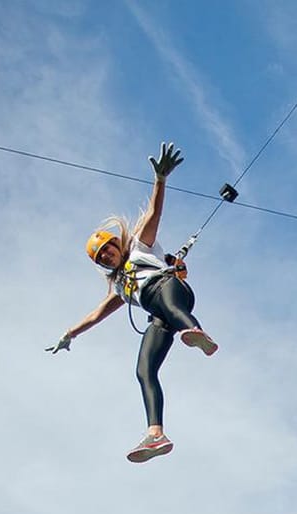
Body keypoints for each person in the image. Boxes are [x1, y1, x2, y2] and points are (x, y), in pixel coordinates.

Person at [46, 142, 218, 464]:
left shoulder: (141, 247)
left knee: (166, 304)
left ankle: (197, 333)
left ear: (117, 244)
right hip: (161, 315)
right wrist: (69, 333)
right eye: (102, 258)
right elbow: (97, 314)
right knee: (143, 370)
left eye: (108, 249)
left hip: (172, 291)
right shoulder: (122, 289)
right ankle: (156, 434)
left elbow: (154, 212)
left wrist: (160, 180)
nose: (108, 256)